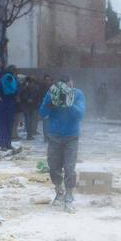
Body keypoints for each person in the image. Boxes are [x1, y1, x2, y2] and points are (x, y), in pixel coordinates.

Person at [39, 76, 85, 213]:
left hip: (71, 137)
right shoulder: (52, 94)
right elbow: (42, 113)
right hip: (54, 136)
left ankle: (69, 195)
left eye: (69, 86)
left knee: (69, 168)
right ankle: (59, 191)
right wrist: (49, 103)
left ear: (72, 84)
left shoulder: (78, 95)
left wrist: (69, 104)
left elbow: (80, 115)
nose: (66, 88)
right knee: (54, 167)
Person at [0, 65, 18, 150]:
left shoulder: (2, 79)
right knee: (9, 125)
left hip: (2, 104)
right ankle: (8, 144)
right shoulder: (13, 79)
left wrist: (0, 96)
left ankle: (3, 144)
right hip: (10, 104)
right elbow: (16, 91)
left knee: (3, 125)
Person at [18, 75, 43, 140]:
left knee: (31, 121)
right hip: (26, 107)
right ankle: (29, 135)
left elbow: (38, 97)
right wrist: (27, 99)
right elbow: (22, 96)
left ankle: (30, 134)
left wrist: (35, 101)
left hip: (33, 107)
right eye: (30, 83)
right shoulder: (25, 89)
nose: (31, 84)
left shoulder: (36, 89)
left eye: (32, 83)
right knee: (28, 121)